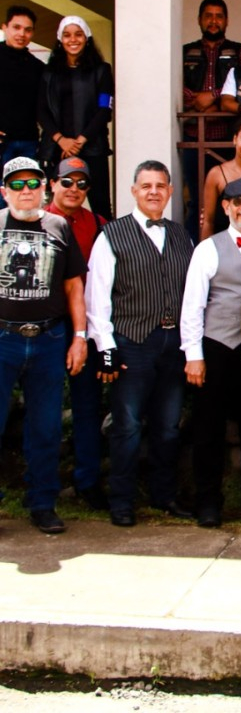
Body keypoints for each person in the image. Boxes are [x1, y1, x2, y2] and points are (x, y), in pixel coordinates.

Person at [86, 160, 195, 527]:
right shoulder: (111, 235)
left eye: (160, 186)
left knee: (168, 425)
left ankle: (164, 495)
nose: (153, 192)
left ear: (169, 191)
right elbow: (97, 296)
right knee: (128, 425)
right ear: (134, 191)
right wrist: (106, 348)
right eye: (146, 185)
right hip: (132, 341)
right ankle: (122, 500)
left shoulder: (182, 236)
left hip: (174, 343)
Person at [0, 156, 88, 534]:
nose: (26, 191)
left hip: (50, 338)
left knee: (46, 427)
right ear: (4, 191)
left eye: (32, 184)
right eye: (17, 185)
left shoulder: (59, 226)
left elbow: (74, 287)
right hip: (3, 338)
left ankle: (42, 503)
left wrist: (79, 337)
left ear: (43, 188)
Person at [180, 178, 241, 528]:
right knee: (208, 428)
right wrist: (193, 355)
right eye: (237, 202)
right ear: (225, 207)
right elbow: (193, 305)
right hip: (217, 346)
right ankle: (208, 502)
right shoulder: (208, 248)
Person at [44, 156, 108, 510]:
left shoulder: (99, 225)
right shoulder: (37, 220)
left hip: (88, 322)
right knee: (45, 405)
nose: (74, 189)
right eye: (67, 181)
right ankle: (43, 483)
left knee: (87, 404)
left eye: (82, 184)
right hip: (49, 322)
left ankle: (87, 480)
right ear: (53, 183)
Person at [37, 16, 115, 218]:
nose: (73, 40)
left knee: (101, 207)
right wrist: (61, 140)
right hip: (56, 149)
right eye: (67, 35)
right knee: (55, 210)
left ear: (86, 38)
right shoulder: (48, 73)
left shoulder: (101, 71)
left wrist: (79, 141)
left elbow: (104, 109)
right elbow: (41, 110)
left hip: (93, 147)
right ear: (60, 39)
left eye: (78, 34)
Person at [181, 0, 241, 238]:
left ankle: (226, 249)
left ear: (227, 21)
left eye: (219, 16)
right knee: (196, 200)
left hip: (227, 138)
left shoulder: (239, 52)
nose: (213, 21)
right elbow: (175, 85)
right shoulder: (185, 52)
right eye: (208, 16)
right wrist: (196, 99)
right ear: (199, 19)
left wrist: (214, 97)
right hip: (194, 136)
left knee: (229, 199)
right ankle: (194, 252)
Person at [0, 6, 44, 179]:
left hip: (29, 142)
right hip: (2, 142)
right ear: (4, 27)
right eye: (16, 27)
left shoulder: (38, 67)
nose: (21, 34)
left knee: (27, 191)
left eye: (27, 30)